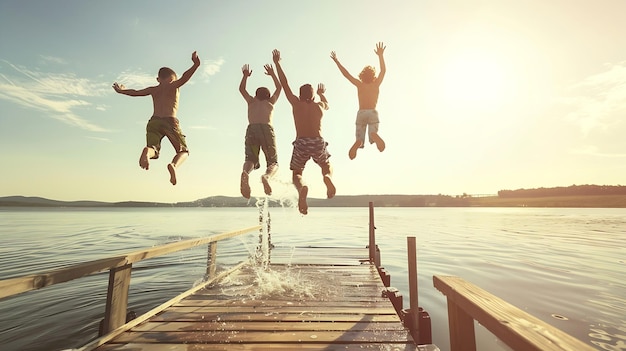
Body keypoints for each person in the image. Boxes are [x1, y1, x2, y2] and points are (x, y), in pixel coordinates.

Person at [112, 51, 201, 186]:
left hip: (154, 122)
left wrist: (121, 90)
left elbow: (135, 93)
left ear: (158, 79)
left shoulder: (153, 89)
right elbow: (185, 77)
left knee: (153, 148)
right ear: (173, 79)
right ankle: (174, 166)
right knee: (183, 151)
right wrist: (196, 65)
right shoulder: (174, 85)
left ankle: (147, 153)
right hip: (170, 122)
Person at [272, 49, 336, 215]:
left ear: (300, 96)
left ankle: (302, 188)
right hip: (318, 141)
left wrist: (277, 63)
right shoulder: (319, 106)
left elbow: (284, 84)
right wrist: (322, 95)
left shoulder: (296, 104)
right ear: (313, 97)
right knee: (325, 165)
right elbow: (327, 103)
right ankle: (327, 178)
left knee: (297, 173)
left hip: (301, 142)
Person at [331, 42, 386, 160]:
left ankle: (358, 143)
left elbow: (346, 75)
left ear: (362, 76)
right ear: (373, 76)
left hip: (361, 113)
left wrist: (337, 61)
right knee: (372, 133)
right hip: (372, 112)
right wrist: (380, 55)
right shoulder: (376, 84)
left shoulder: (359, 85)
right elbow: (383, 71)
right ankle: (374, 136)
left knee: (359, 139)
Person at [238, 63, 282, 199]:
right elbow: (279, 87)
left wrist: (245, 76)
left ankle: (246, 172)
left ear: (256, 96)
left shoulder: (251, 102)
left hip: (252, 129)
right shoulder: (270, 102)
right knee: (273, 162)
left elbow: (242, 89)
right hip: (266, 130)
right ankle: (267, 177)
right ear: (268, 96)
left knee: (250, 158)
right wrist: (272, 74)